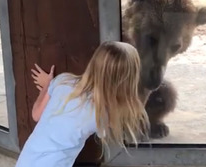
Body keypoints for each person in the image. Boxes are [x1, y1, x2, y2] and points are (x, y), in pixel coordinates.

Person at [15, 41, 149, 167]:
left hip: (25, 162)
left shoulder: (62, 81)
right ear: (127, 80)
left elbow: (36, 115)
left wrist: (48, 85)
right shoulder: (102, 114)